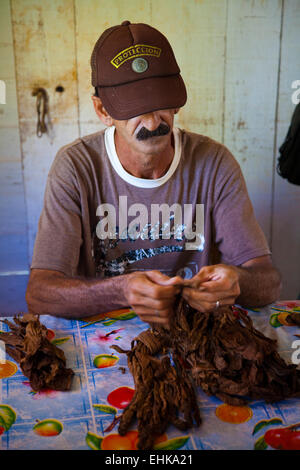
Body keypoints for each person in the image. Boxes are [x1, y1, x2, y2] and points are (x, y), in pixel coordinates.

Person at [26, 20, 281, 328]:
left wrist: (237, 281)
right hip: (108, 334)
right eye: (135, 108)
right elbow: (40, 293)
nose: (152, 122)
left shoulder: (214, 163)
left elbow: (269, 281)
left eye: (161, 102)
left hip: (193, 333)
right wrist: (122, 290)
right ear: (102, 111)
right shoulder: (75, 167)